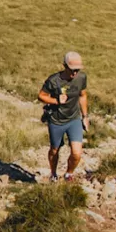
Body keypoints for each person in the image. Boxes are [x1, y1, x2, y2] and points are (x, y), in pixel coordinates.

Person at [38, 51, 89, 182]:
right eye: (72, 70)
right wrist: (56, 101)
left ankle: (68, 174)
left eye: (77, 70)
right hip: (56, 121)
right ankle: (53, 174)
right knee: (54, 150)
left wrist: (85, 116)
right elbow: (41, 96)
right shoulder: (53, 80)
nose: (75, 73)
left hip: (74, 119)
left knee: (77, 153)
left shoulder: (81, 78)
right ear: (64, 66)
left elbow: (83, 95)